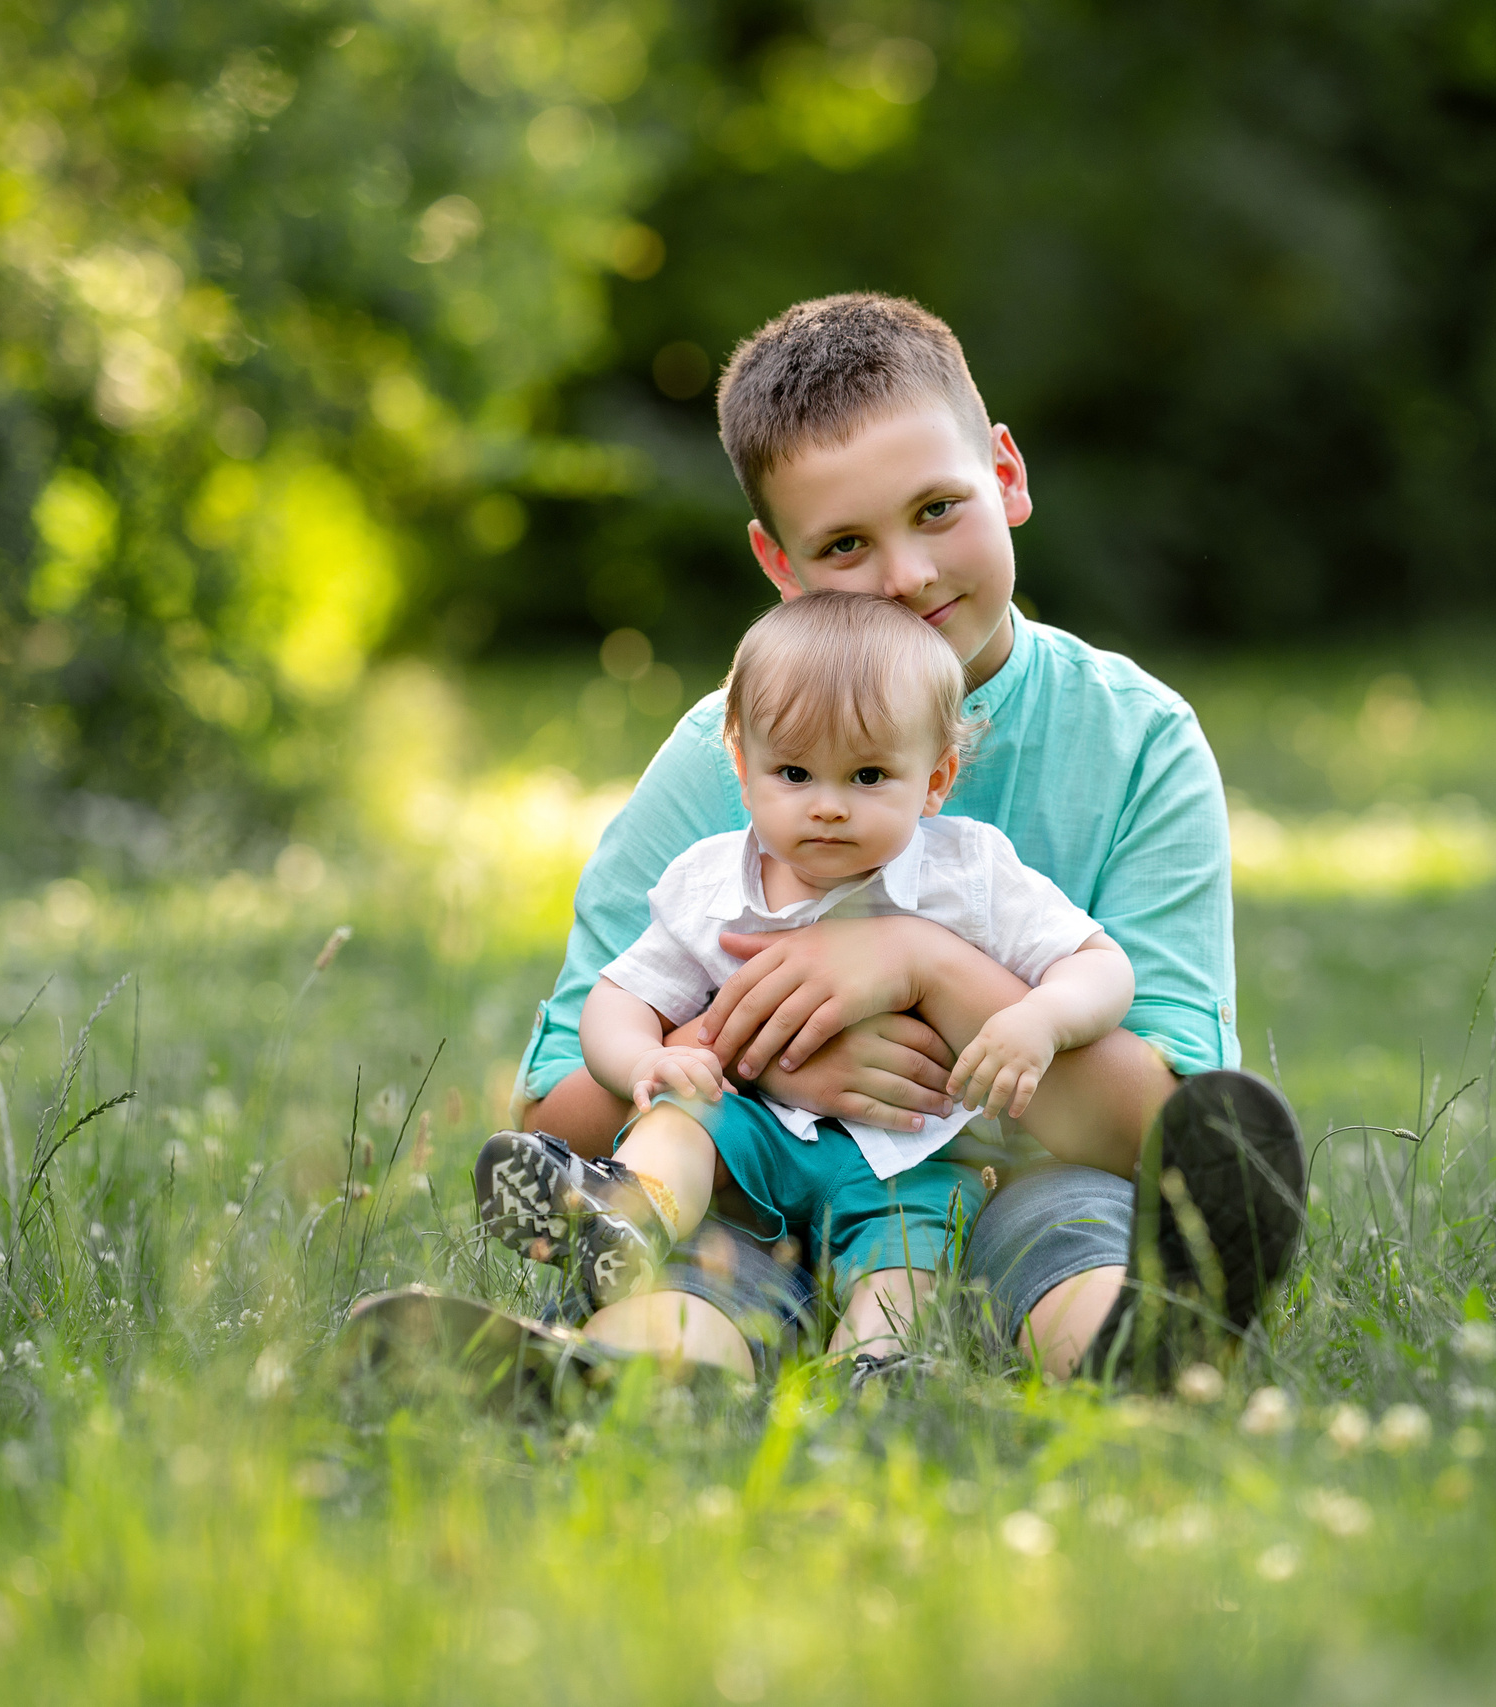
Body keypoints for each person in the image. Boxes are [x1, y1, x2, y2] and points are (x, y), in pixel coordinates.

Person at [509, 291, 1305, 1382]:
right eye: (843, 543)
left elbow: (1168, 1134)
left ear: (1007, 475)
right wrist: (776, 1054)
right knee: (699, 1264)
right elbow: (560, 1112)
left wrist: (918, 966)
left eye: (937, 509)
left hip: (1037, 1174)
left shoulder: (1135, 742)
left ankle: (1146, 1352)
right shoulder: (729, 758)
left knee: (1071, 1234)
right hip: (759, 1187)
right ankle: (614, 1384)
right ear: (778, 565)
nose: (908, 576)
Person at [475, 592, 1136, 1370]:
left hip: (911, 1154)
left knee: (908, 1261)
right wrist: (642, 1062)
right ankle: (626, 1216)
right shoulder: (711, 881)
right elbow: (619, 999)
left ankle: (878, 1367)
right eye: (794, 772)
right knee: (686, 1113)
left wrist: (1042, 1019)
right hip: (754, 1138)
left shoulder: (968, 873)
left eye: (867, 776)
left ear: (935, 778)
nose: (827, 806)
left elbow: (1100, 964)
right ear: (742, 767)